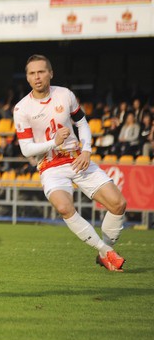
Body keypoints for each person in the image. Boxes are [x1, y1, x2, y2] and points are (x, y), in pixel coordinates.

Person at [14, 54, 127, 271]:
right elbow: (26, 148)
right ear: (27, 78)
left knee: (118, 204)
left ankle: (104, 251)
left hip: (78, 159)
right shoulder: (22, 109)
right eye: (32, 73)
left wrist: (86, 150)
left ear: (50, 73)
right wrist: (52, 142)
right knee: (64, 207)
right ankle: (107, 252)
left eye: (41, 71)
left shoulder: (65, 95)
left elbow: (82, 123)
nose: (37, 77)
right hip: (50, 166)